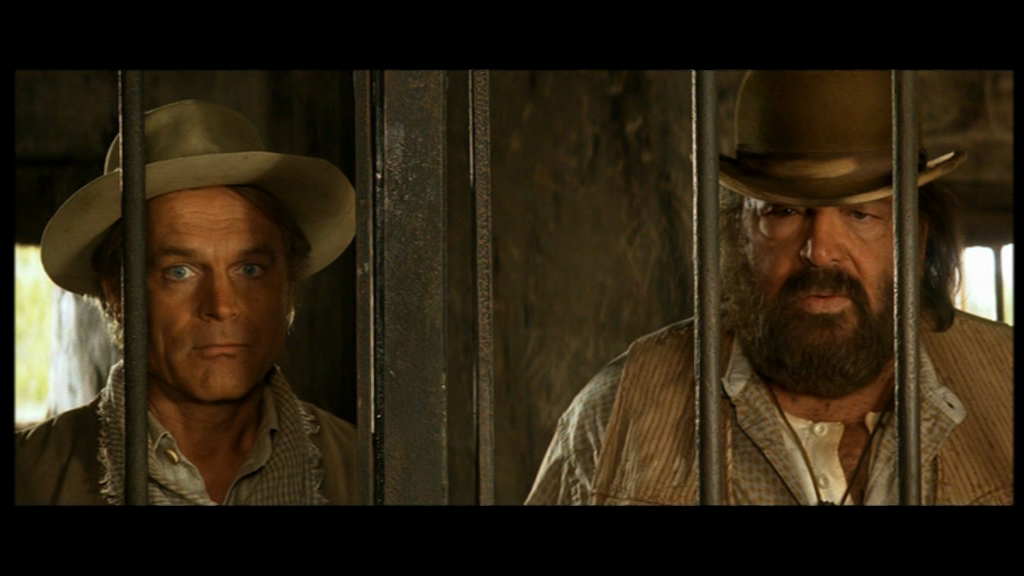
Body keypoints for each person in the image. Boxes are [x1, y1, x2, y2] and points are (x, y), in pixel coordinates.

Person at [526, 70, 1013, 505]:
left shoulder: (1006, 385)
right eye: (784, 212)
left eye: (861, 215)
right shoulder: (620, 407)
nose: (820, 251)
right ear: (738, 233)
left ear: (917, 237)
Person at [15, 99, 358, 505]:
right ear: (117, 295)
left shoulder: (369, 468)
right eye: (180, 271)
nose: (222, 305)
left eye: (249, 269)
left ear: (288, 287)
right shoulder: (28, 475)